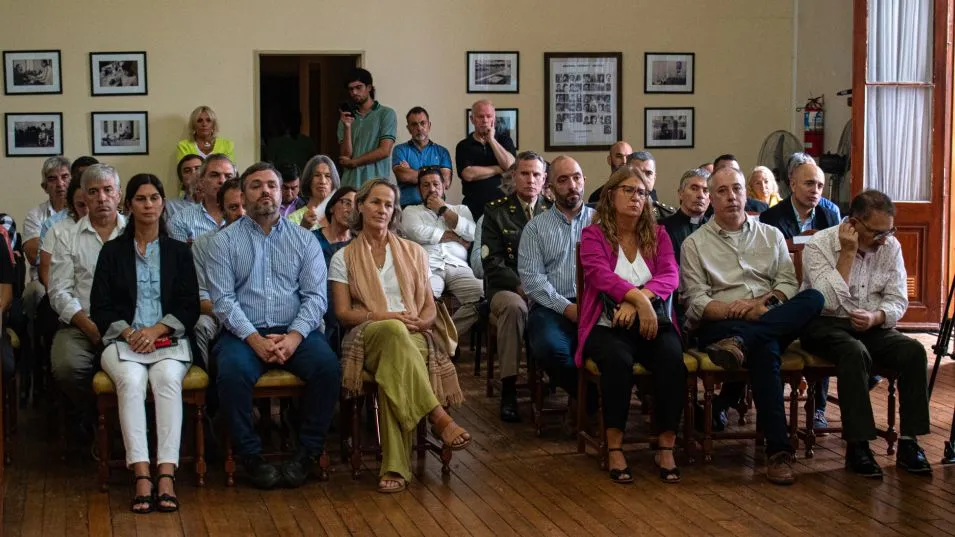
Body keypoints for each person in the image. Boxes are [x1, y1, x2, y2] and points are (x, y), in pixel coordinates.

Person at [680, 166, 824, 485]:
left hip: (763, 317)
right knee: (766, 350)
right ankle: (778, 451)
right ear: (711, 198)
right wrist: (740, 312)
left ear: (746, 193)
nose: (732, 197)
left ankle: (744, 342)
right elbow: (696, 302)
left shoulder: (770, 234)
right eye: (722, 191)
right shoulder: (694, 244)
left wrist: (762, 306)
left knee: (813, 297)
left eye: (737, 189)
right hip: (721, 326)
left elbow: (787, 283)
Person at [329, 179, 470, 493]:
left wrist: (420, 324)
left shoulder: (414, 252)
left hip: (414, 334)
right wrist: (386, 316)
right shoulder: (343, 257)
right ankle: (437, 416)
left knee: (394, 367)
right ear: (361, 206)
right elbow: (343, 313)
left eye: (388, 204)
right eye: (375, 202)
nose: (382, 209)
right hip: (367, 335)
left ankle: (395, 468)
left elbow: (430, 308)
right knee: (392, 332)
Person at [208, 162, 340, 490]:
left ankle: (307, 452)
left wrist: (294, 337)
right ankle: (251, 457)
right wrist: (254, 339)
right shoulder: (223, 242)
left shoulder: (305, 241)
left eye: (271, 185)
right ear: (243, 193)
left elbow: (315, 299)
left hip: (295, 330)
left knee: (327, 368)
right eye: (256, 185)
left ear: (282, 194)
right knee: (231, 373)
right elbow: (223, 301)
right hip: (244, 333)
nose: (265, 191)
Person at [801, 190, 932, 477]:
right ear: (853, 223)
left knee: (913, 351)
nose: (884, 238)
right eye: (876, 232)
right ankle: (858, 445)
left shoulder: (890, 246)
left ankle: (910, 442)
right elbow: (828, 300)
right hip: (825, 324)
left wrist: (877, 316)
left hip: (872, 324)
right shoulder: (819, 245)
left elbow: (898, 299)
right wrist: (847, 253)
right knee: (853, 351)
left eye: (889, 230)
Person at [90, 174, 199, 514]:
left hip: (168, 338)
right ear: (129, 205)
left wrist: (154, 331)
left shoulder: (179, 252)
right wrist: (130, 333)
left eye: (154, 198)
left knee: (166, 380)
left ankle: (166, 472)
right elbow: (100, 306)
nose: (148, 205)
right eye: (141, 199)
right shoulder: (112, 252)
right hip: (123, 341)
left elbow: (189, 305)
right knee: (132, 380)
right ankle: (141, 474)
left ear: (163, 203)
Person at [577, 165, 685, 483]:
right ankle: (614, 447)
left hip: (653, 322)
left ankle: (666, 446)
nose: (636, 197)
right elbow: (599, 275)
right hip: (606, 324)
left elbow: (670, 275)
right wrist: (637, 300)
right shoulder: (593, 235)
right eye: (628, 190)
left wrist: (641, 301)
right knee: (617, 362)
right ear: (611, 195)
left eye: (642, 192)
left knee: (671, 360)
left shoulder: (659, 234)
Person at [48, 164, 126, 411]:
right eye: (93, 192)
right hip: (81, 324)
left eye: (108, 190)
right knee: (66, 367)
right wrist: (90, 327)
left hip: (131, 324)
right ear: (83, 196)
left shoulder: (135, 232)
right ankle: (97, 420)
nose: (101, 198)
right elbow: (59, 291)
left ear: (119, 195)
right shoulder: (67, 236)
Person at [481, 151, 552, 422]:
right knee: (514, 308)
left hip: (545, 288)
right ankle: (509, 389)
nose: (530, 180)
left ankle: (557, 377)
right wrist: (522, 286)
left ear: (545, 179)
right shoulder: (496, 211)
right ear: (514, 177)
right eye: (524, 173)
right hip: (507, 289)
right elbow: (492, 261)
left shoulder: (553, 212)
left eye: (536, 174)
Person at [518, 156, 593, 401]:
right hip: (550, 308)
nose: (572, 185)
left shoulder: (602, 222)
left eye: (576, 177)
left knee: (613, 351)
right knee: (551, 349)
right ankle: (589, 402)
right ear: (549, 188)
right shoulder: (535, 228)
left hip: (597, 305)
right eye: (563, 180)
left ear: (584, 180)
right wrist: (568, 308)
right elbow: (532, 281)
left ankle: (587, 405)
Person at [400, 167, 483, 338]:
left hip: (459, 266)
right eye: (425, 185)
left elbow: (473, 233)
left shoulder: (461, 209)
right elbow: (415, 231)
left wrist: (444, 210)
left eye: (436, 184)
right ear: (419, 189)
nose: (431, 189)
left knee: (483, 297)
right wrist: (457, 238)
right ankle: (438, 341)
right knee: (424, 300)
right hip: (428, 267)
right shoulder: (410, 211)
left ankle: (442, 339)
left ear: (444, 186)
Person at [190, 179, 246, 369]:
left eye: (245, 206)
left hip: (259, 313)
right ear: (221, 211)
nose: (242, 213)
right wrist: (232, 313)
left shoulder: (267, 240)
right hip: (218, 314)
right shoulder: (203, 244)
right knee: (200, 325)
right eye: (234, 207)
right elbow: (201, 296)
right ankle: (204, 391)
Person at [23, 156, 71, 323]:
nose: (60, 184)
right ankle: (32, 344)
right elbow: (34, 256)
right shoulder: (35, 215)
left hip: (75, 276)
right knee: (34, 291)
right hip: (43, 281)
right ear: (45, 187)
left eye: (65, 177)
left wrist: (51, 247)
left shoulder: (82, 211)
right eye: (53, 179)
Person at [456, 100, 517, 220]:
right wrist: (498, 169)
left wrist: (491, 140)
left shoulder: (505, 140)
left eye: (489, 116)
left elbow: (510, 166)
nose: (485, 120)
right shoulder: (463, 145)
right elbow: (468, 174)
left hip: (504, 205)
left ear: (494, 118)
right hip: (474, 207)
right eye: (480, 116)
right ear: (472, 119)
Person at [337, 68, 397, 189]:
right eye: (351, 89)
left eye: (358, 87)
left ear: (369, 88)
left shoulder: (386, 113)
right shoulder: (345, 119)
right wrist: (347, 127)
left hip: (376, 185)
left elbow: (385, 150)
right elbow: (345, 156)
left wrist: (354, 162)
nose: (354, 92)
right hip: (349, 185)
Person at [313, 187, 357, 346]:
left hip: (349, 311)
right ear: (331, 207)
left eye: (355, 206)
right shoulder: (312, 239)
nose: (350, 210)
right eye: (346, 203)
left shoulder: (359, 244)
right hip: (316, 307)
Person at [760, 153, 840, 239]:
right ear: (793, 185)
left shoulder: (830, 218)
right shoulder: (770, 218)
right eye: (809, 184)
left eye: (820, 186)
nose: (815, 190)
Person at [392, 107, 453, 207]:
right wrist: (436, 174)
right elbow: (403, 175)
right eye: (414, 124)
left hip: (436, 206)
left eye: (423, 123)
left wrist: (411, 171)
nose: (419, 128)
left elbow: (445, 182)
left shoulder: (442, 152)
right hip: (407, 207)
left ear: (429, 125)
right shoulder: (400, 150)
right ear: (408, 128)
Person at [167, 154, 235, 243]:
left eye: (228, 176)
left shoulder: (246, 218)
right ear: (201, 181)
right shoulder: (180, 220)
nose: (222, 181)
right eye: (214, 175)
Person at [660, 168, 711, 266]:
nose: (700, 195)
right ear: (680, 194)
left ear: (711, 198)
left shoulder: (716, 229)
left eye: (706, 190)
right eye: (694, 188)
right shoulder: (662, 228)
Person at [288, 155, 340, 230]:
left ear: (334, 182)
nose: (322, 181)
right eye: (317, 175)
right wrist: (303, 227)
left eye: (328, 176)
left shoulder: (339, 217)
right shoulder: (293, 219)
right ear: (308, 181)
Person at [166, 154, 204, 219]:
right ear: (181, 179)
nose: (194, 173)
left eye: (198, 169)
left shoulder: (218, 204)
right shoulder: (171, 206)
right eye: (187, 171)